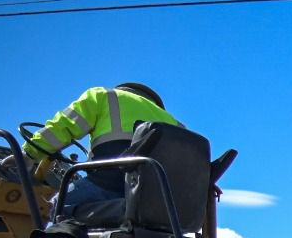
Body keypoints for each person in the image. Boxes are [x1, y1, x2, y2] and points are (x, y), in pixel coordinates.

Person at [22, 83, 181, 215]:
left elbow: (63, 127)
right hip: (160, 200)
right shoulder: (174, 123)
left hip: (111, 184)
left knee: (57, 205)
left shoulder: (104, 97)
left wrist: (29, 153)